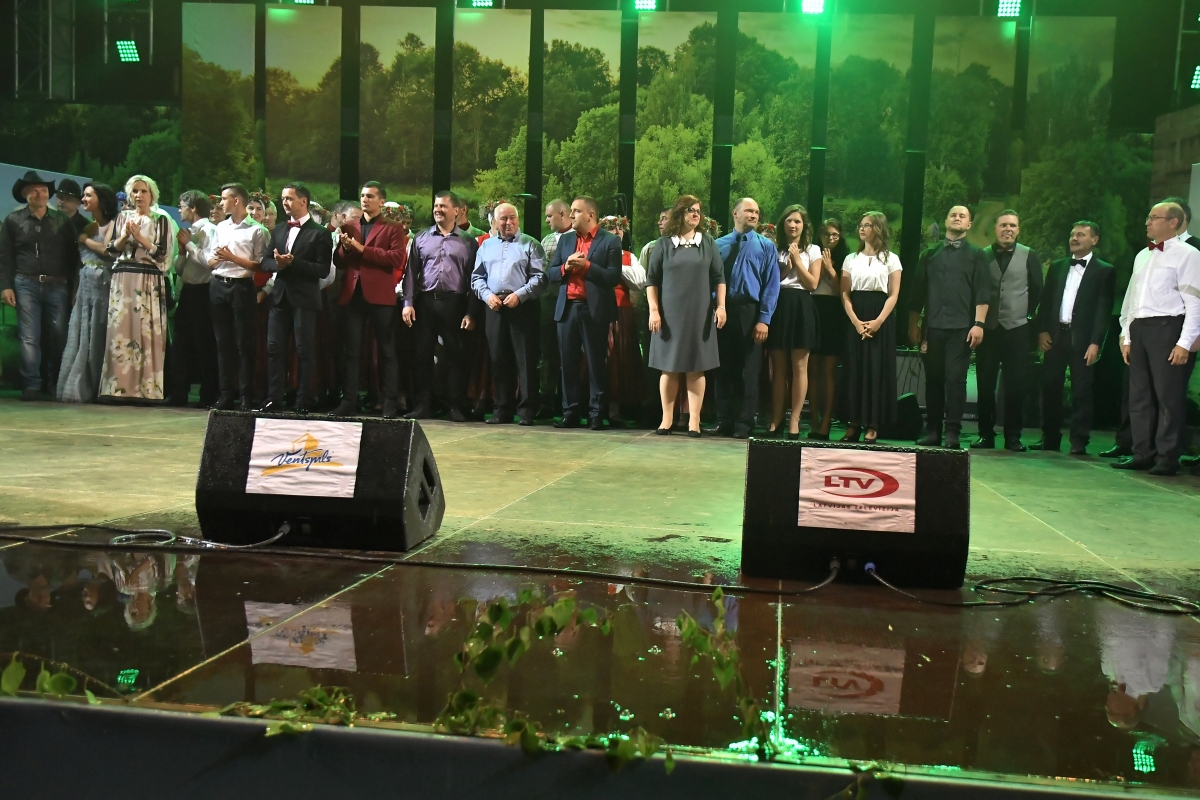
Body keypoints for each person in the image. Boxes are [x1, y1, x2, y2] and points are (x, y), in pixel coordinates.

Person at [1113, 202, 1200, 476]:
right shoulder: (1143, 255)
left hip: (1167, 327)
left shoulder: (1189, 255)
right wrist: (1126, 334)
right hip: (1140, 328)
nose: (1147, 222)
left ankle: (1167, 456)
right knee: (1139, 396)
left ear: (1173, 222)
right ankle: (1142, 453)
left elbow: (1194, 302)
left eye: (1154, 217)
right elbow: (1132, 299)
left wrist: (1184, 342)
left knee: (1168, 396)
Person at [908, 205, 991, 449]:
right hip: (932, 328)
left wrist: (979, 324)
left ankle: (952, 432)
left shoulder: (977, 255)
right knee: (933, 380)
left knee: (955, 380)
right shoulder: (929, 254)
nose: (957, 218)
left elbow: (983, 292)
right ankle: (933, 431)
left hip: (961, 329)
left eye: (962, 216)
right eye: (953, 215)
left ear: (969, 224)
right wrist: (913, 325)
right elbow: (917, 293)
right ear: (945, 221)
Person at [645, 195, 727, 436]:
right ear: (679, 214)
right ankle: (667, 419)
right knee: (668, 367)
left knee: (696, 367)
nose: (695, 214)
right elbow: (652, 280)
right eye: (691, 210)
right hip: (669, 314)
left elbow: (719, 277)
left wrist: (721, 306)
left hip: (699, 313)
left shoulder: (707, 243)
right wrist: (654, 310)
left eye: (698, 211)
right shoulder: (664, 244)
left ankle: (694, 421)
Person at [1033, 220, 1114, 455]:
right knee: (1050, 388)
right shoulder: (1058, 267)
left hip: (1083, 340)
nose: (1074, 238)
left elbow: (1103, 310)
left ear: (1094, 240)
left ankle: (1079, 441)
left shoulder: (1104, 270)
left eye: (1081, 234)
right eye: (1072, 234)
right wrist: (1042, 330)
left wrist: (1096, 342)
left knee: (1081, 392)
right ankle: (1049, 438)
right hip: (1056, 336)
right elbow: (1046, 302)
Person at [0, 171, 80, 400]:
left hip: (58, 284)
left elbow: (73, 257)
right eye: (34, 190)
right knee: (29, 336)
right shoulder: (13, 221)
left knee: (59, 334)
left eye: (43, 190)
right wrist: (5, 286)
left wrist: (74, 288)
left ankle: (54, 381)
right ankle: (31, 384)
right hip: (25, 282)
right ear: (25, 194)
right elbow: (5, 256)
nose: (40, 194)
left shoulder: (61, 221)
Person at [98, 174, 178, 401]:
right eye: (135, 191)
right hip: (123, 277)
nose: (139, 195)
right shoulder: (122, 217)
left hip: (148, 278)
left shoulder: (160, 219)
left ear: (152, 194)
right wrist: (125, 235)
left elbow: (163, 254)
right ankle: (118, 387)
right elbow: (112, 249)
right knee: (121, 331)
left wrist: (141, 238)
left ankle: (146, 389)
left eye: (143, 191)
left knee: (145, 332)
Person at [547, 196, 623, 429]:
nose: (571, 215)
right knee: (567, 363)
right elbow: (551, 274)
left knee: (596, 364)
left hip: (595, 309)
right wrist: (566, 267)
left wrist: (587, 266)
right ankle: (570, 412)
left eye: (576, 211)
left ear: (590, 215)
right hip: (567, 308)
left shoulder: (610, 241)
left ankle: (596, 414)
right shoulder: (566, 240)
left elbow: (613, 277)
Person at [333, 181, 408, 417]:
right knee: (352, 351)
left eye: (371, 196)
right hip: (353, 294)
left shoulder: (393, 227)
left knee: (387, 351)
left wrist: (362, 249)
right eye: (363, 195)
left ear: (381, 201)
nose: (365, 200)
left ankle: (389, 403)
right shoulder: (350, 226)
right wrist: (346, 248)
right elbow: (339, 261)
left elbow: (396, 259)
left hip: (380, 295)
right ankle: (349, 401)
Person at [401, 191, 477, 420]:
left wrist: (470, 312)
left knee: (455, 356)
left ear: (457, 210)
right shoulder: (421, 238)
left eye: (443, 206)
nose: (438, 210)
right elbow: (411, 273)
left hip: (455, 303)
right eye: (436, 206)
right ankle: (423, 405)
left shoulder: (468, 242)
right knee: (422, 355)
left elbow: (474, 279)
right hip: (425, 302)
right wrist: (408, 303)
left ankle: (455, 406)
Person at [259, 183, 333, 415]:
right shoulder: (280, 229)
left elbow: (322, 269)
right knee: (274, 348)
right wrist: (279, 264)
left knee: (304, 350)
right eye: (283, 198)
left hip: (304, 299)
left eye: (289, 198)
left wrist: (293, 263)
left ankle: (304, 398)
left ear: (303, 201)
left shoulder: (319, 233)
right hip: (280, 297)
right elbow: (265, 262)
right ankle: (274, 399)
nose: (285, 202)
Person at [708, 198, 779, 439]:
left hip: (750, 311)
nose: (754, 215)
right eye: (749, 210)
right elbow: (709, 279)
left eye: (757, 212)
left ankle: (744, 424)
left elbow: (771, 284)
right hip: (722, 309)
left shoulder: (765, 246)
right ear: (735, 213)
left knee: (749, 371)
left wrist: (764, 319)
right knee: (722, 367)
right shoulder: (718, 245)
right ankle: (723, 420)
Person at [974, 210, 1043, 452]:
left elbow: (1037, 289)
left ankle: (1013, 436)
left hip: (1017, 330)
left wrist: (1025, 315)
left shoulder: (1029, 255)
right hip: (989, 330)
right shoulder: (982, 255)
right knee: (985, 384)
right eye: (1003, 225)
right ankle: (985, 434)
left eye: (1012, 225)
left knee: (1016, 386)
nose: (1008, 229)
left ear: (1018, 230)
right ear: (995, 228)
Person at [471, 202, 545, 425]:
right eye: (503, 219)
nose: (508, 222)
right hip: (494, 307)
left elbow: (540, 277)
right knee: (498, 360)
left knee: (525, 360)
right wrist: (487, 296)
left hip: (522, 307)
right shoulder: (485, 246)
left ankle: (527, 411)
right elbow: (477, 278)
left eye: (512, 217)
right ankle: (502, 410)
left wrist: (519, 295)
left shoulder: (530, 244)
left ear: (518, 219)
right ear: (495, 222)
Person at [840, 212, 902, 443]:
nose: (862, 228)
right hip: (856, 316)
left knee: (876, 370)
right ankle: (853, 422)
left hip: (880, 317)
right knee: (854, 369)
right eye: (861, 225)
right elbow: (844, 293)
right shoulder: (851, 259)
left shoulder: (891, 259)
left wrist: (878, 322)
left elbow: (893, 294)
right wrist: (856, 322)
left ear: (879, 229)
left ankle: (873, 423)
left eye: (868, 225)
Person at [208, 182, 270, 411]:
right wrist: (218, 258)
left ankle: (246, 395)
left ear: (236, 200)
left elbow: (262, 265)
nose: (220, 203)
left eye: (224, 199)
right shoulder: (220, 227)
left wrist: (233, 258)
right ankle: (225, 394)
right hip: (218, 284)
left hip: (242, 287)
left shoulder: (257, 230)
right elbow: (211, 261)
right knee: (222, 343)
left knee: (244, 344)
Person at [57, 183, 118, 403]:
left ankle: (99, 385)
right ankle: (79, 384)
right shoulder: (88, 226)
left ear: (101, 199)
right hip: (85, 285)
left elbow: (107, 250)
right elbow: (79, 263)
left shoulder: (114, 223)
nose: (84, 199)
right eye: (83, 195)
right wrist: (75, 291)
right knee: (83, 333)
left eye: (88, 195)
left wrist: (85, 240)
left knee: (100, 332)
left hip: (104, 283)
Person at [765, 203, 821, 439]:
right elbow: (770, 281)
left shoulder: (813, 250)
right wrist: (786, 269)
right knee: (778, 368)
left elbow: (813, 284)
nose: (793, 225)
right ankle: (776, 419)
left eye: (797, 221)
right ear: (783, 224)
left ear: (804, 225)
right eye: (789, 220)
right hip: (779, 304)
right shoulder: (773, 248)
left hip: (801, 305)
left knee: (800, 366)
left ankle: (795, 420)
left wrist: (797, 260)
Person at [168, 191, 220, 407]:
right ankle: (179, 392)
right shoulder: (188, 232)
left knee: (204, 345)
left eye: (182, 206)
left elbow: (210, 262)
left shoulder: (210, 230)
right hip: (188, 291)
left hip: (204, 292)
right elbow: (180, 270)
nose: (179, 210)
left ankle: (208, 395)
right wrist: (182, 252)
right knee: (181, 343)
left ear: (193, 208)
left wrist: (190, 245)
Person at [601, 215, 647, 423]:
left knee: (621, 360)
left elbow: (639, 281)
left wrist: (615, 264)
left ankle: (616, 409)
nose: (617, 230)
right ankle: (596, 407)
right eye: (611, 227)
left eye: (620, 227)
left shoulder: (628, 257)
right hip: (600, 311)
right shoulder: (595, 253)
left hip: (622, 312)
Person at [808, 218, 850, 439]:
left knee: (830, 370)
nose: (831, 238)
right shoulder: (812, 252)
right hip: (814, 308)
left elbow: (842, 290)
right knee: (812, 368)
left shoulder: (847, 258)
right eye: (826, 234)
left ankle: (827, 421)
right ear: (820, 236)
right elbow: (810, 284)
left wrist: (830, 269)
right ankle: (813, 419)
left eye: (835, 235)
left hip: (834, 311)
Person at [538, 199, 573, 416]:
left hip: (570, 301)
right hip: (548, 302)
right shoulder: (547, 240)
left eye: (550, 216)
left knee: (569, 352)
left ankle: (570, 401)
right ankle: (546, 400)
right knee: (547, 353)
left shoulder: (578, 238)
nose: (547, 220)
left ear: (562, 214)